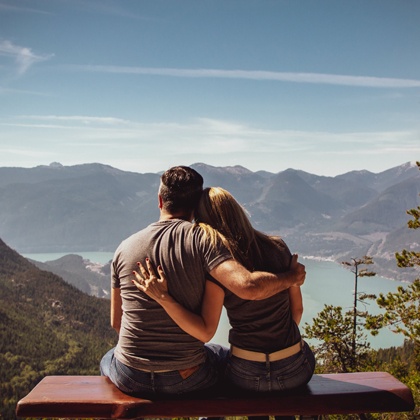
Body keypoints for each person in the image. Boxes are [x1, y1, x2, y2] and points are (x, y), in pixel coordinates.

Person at [100, 167, 306, 399]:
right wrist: (292, 278)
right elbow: (246, 289)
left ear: (160, 201)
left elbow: (117, 323)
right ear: (195, 205)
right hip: (187, 377)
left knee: (108, 358)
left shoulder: (123, 248)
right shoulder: (205, 241)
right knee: (219, 355)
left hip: (130, 376)